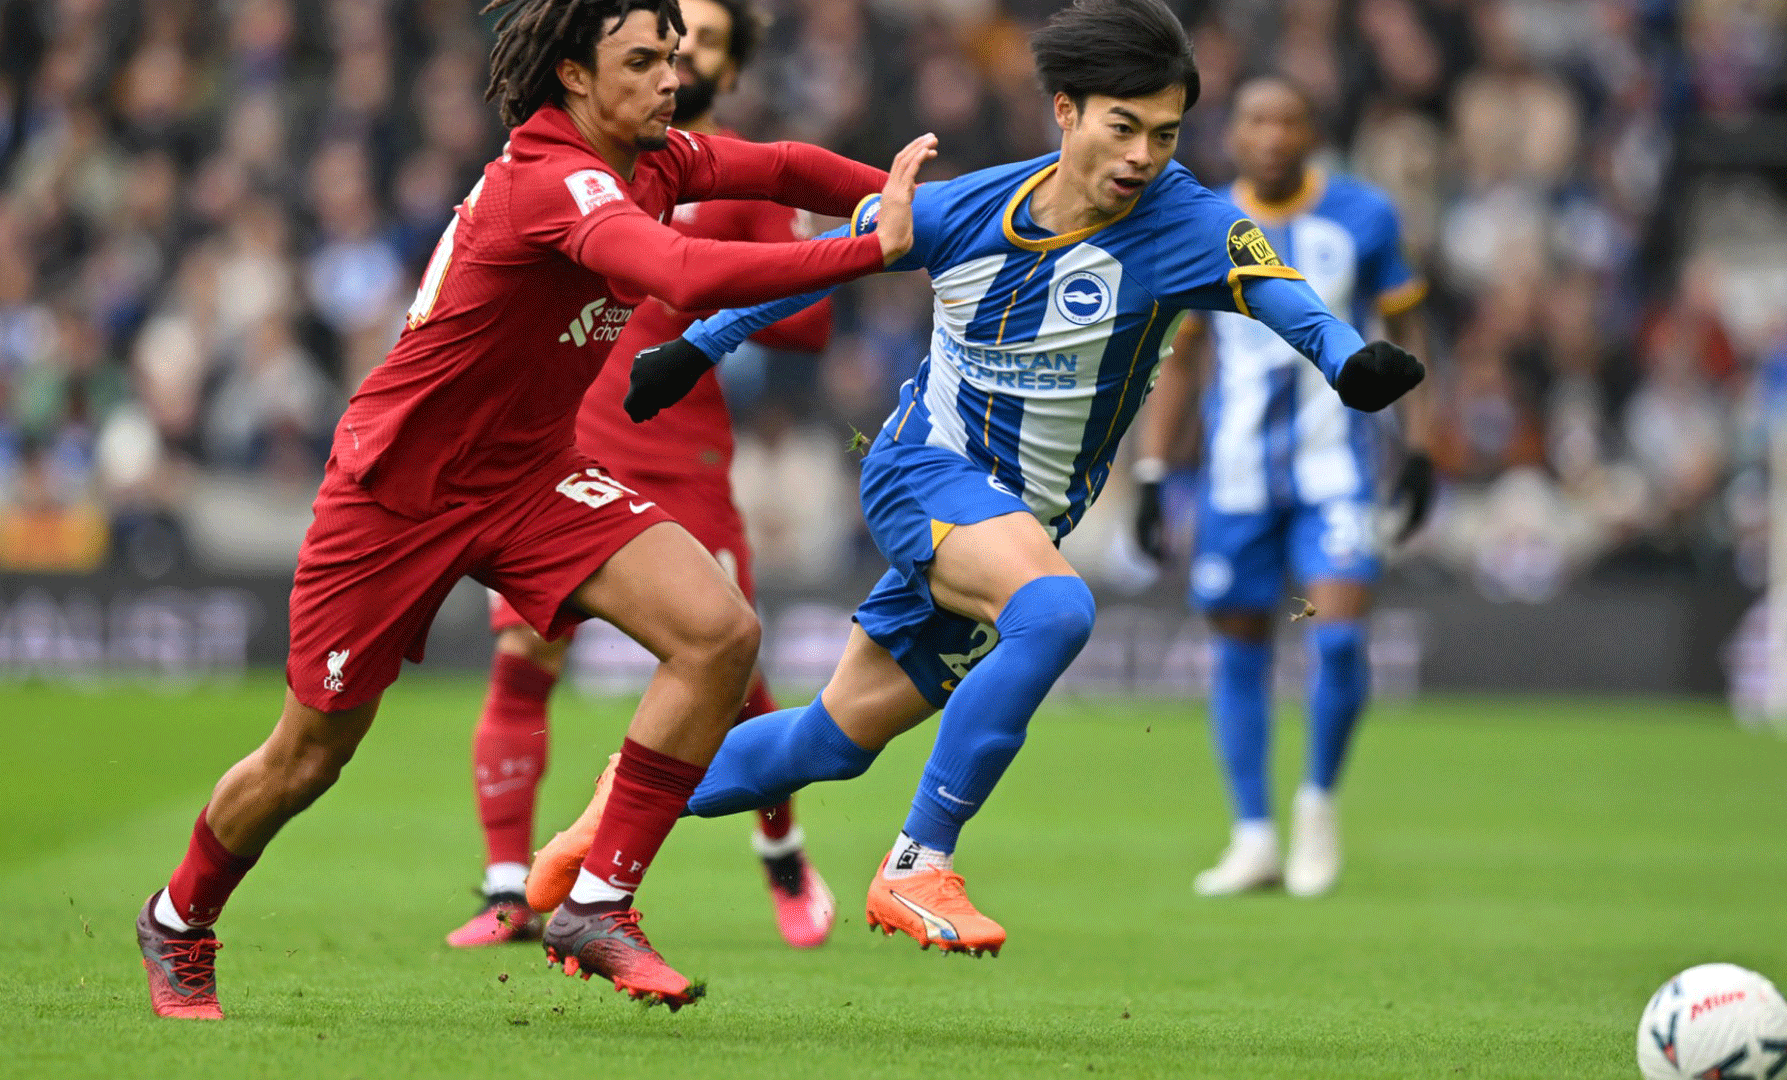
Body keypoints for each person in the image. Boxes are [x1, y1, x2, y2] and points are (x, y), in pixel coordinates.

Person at [526, 0, 1424, 958]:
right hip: (924, 472)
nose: (1142, 157)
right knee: (1058, 612)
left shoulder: (1193, 225)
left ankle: (607, 816)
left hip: (1017, 520)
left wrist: (1346, 361)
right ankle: (918, 864)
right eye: (1123, 127)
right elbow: (823, 262)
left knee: (828, 741)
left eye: (1164, 135)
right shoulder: (964, 208)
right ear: (1066, 111)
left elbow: (1281, 290)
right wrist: (698, 350)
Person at [134, 0, 937, 1019]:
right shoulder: (552, 180)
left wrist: (923, 204)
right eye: (642, 62)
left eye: (671, 59)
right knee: (309, 755)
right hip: (398, 494)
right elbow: (683, 271)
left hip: (526, 477)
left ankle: (599, 903)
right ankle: (177, 919)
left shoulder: (653, 153)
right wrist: (872, 251)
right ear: (571, 75)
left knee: (719, 632)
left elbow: (779, 167)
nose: (669, 80)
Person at [447, 0, 839, 955]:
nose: (683, 58)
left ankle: (780, 851)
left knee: (729, 655)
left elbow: (807, 322)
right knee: (524, 658)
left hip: (683, 449)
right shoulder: (575, 166)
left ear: (727, 69)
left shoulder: (724, 172)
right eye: (670, 41)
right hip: (569, 440)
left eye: (701, 43)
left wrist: (741, 272)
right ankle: (509, 889)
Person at [1131, 77, 1433, 899]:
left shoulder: (1363, 217)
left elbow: (1406, 330)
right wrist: (1155, 473)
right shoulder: (1200, 220)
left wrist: (1421, 445)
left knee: (1337, 638)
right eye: (1256, 120)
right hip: (1234, 477)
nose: (1270, 135)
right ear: (1233, 134)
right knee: (1238, 649)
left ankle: (1318, 806)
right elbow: (1183, 354)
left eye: (1287, 120)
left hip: (1337, 469)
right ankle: (1253, 834)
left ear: (1311, 133)